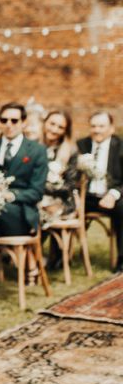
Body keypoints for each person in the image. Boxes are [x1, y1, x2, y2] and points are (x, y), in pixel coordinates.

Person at [0, 102, 49, 314]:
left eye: (14, 120)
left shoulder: (36, 151)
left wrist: (11, 195)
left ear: (23, 122)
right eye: (4, 120)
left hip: (19, 215)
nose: (9, 125)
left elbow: (37, 192)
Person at [77, 112, 122, 272]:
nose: (97, 130)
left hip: (111, 197)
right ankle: (58, 257)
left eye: (101, 126)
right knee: (64, 207)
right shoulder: (81, 145)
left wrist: (113, 194)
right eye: (93, 126)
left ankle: (121, 261)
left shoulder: (120, 146)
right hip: (86, 198)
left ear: (111, 128)